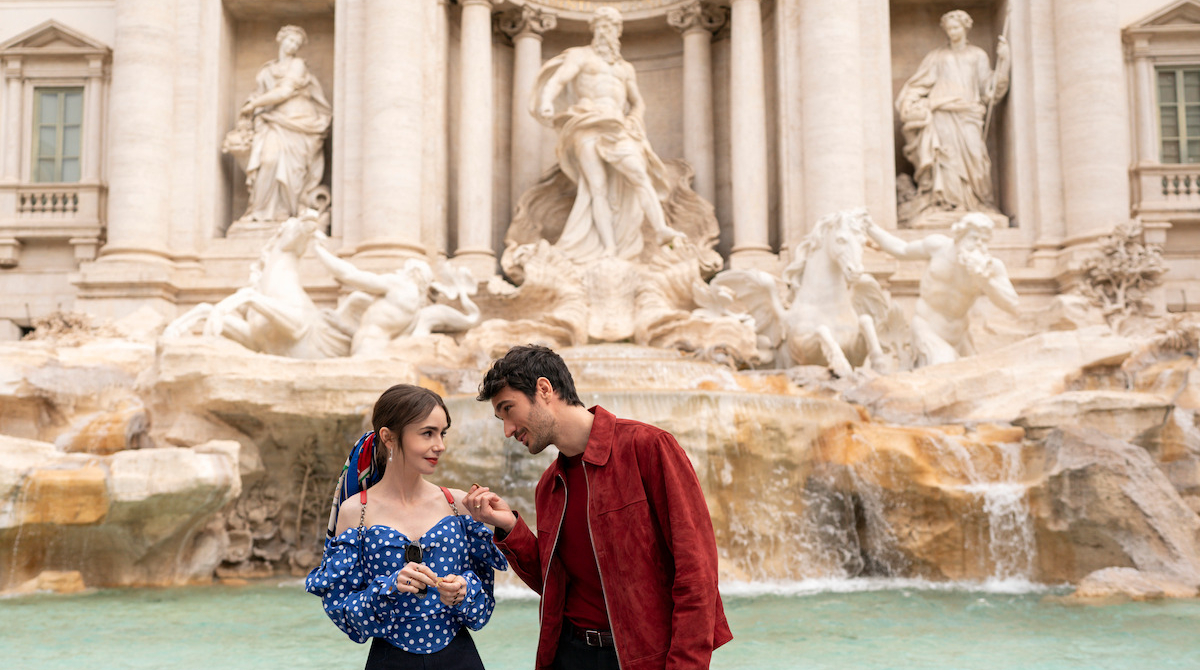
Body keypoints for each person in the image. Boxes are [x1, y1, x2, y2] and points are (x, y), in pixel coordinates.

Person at [465, 345, 732, 670]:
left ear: (544, 389)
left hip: (642, 657)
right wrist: (509, 527)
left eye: (509, 409)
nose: (507, 430)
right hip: (570, 655)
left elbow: (697, 572)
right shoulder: (549, 486)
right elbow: (555, 586)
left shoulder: (647, 448)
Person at [305, 384, 507, 669]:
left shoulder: (459, 504)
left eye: (442, 433)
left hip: (460, 660)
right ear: (388, 437)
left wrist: (464, 591)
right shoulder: (355, 512)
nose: (440, 445)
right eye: (427, 433)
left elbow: (483, 611)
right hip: (390, 661)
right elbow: (345, 615)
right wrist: (389, 587)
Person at [532, 7, 685, 264]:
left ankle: (660, 229)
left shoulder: (625, 69)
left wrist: (635, 118)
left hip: (617, 127)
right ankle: (609, 247)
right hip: (587, 123)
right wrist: (546, 100)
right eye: (603, 26)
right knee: (597, 187)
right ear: (594, 29)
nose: (608, 32)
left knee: (639, 174)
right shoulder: (581, 57)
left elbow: (638, 102)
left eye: (613, 27)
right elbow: (558, 81)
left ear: (618, 32)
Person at [895, 10, 1010, 223]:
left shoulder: (977, 55)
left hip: (969, 113)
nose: (952, 32)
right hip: (941, 114)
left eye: (956, 27)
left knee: (976, 158)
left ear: (965, 28)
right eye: (948, 29)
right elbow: (917, 85)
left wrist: (1004, 63)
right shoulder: (937, 57)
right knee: (945, 160)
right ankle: (946, 204)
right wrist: (911, 103)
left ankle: (977, 202)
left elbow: (989, 90)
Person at [865, 212, 1019, 366]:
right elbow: (902, 250)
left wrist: (986, 280)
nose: (979, 244)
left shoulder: (991, 268)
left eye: (984, 241)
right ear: (960, 236)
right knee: (944, 367)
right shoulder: (938, 247)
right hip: (927, 328)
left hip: (960, 336)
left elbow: (1013, 305)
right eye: (973, 238)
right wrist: (871, 228)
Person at [310, 233, 480, 356]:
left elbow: (350, 275)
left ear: (413, 272)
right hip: (374, 348)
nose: (399, 271)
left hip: (368, 350)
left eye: (403, 268)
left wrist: (319, 251)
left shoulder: (399, 285)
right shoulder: (414, 307)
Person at [230, 25, 332, 225]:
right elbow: (259, 94)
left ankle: (286, 212)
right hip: (273, 122)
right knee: (268, 160)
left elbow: (284, 92)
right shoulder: (267, 70)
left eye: (297, 43)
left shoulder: (298, 65)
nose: (293, 45)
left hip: (299, 122)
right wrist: (251, 107)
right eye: (290, 40)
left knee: (294, 170)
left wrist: (254, 105)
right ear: (280, 39)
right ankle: (261, 212)